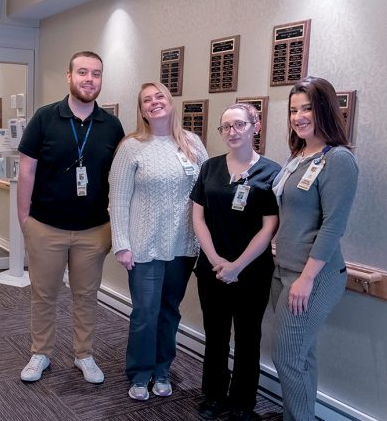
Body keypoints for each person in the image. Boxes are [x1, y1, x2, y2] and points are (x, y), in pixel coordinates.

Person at [17, 50, 125, 384]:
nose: (89, 79)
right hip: (46, 225)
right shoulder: (45, 118)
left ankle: (84, 354)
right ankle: (41, 353)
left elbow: (119, 178)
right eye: (82, 72)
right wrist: (25, 219)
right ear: (69, 76)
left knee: (86, 296)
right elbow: (27, 170)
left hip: (93, 230)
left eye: (96, 73)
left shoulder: (111, 125)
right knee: (44, 294)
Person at [109, 82, 208, 401]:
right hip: (143, 247)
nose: (154, 103)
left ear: (171, 102)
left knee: (169, 312)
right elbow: (118, 198)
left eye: (160, 97)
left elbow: (205, 193)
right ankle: (139, 374)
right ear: (141, 111)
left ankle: (162, 370)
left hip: (183, 247)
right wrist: (121, 243)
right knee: (144, 313)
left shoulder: (192, 143)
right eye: (146, 101)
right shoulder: (131, 146)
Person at [271, 76, 358, 421]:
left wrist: (306, 279)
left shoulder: (338, 160)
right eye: (294, 110)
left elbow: (333, 225)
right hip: (283, 270)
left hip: (313, 275)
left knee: (287, 357)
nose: (299, 116)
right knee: (301, 356)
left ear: (325, 109)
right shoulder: (298, 157)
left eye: (307, 107)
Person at [190, 103, 280, 421]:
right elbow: (197, 217)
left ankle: (242, 402)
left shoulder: (271, 171)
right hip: (211, 269)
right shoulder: (210, 168)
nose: (232, 132)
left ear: (256, 126)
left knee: (247, 337)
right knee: (215, 335)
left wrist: (237, 265)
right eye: (226, 127)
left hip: (252, 272)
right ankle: (213, 395)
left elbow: (270, 225)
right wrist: (215, 260)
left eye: (240, 125)